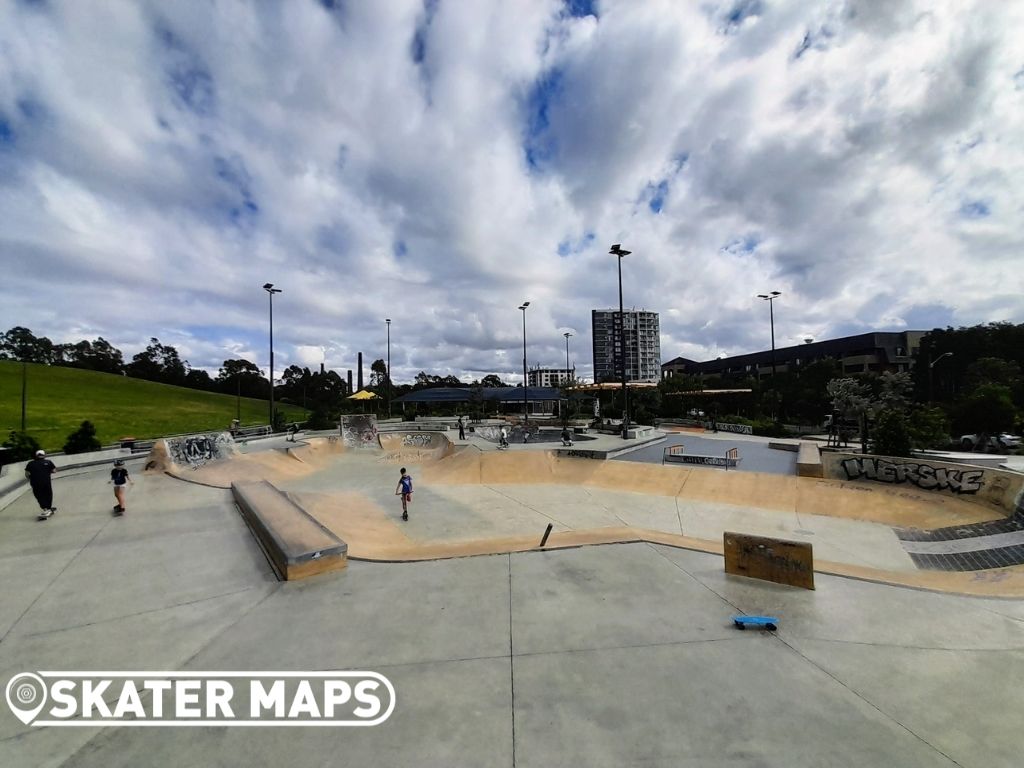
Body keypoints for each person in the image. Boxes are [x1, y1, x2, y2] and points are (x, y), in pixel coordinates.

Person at [25, 449, 57, 520]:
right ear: (44, 455)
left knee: (39, 495)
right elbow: (54, 471)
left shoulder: (30, 463)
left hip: (35, 483)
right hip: (46, 482)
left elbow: (27, 474)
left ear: (36, 455)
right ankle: (48, 508)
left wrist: (32, 477)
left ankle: (45, 508)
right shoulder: (48, 462)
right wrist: (47, 471)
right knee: (48, 494)